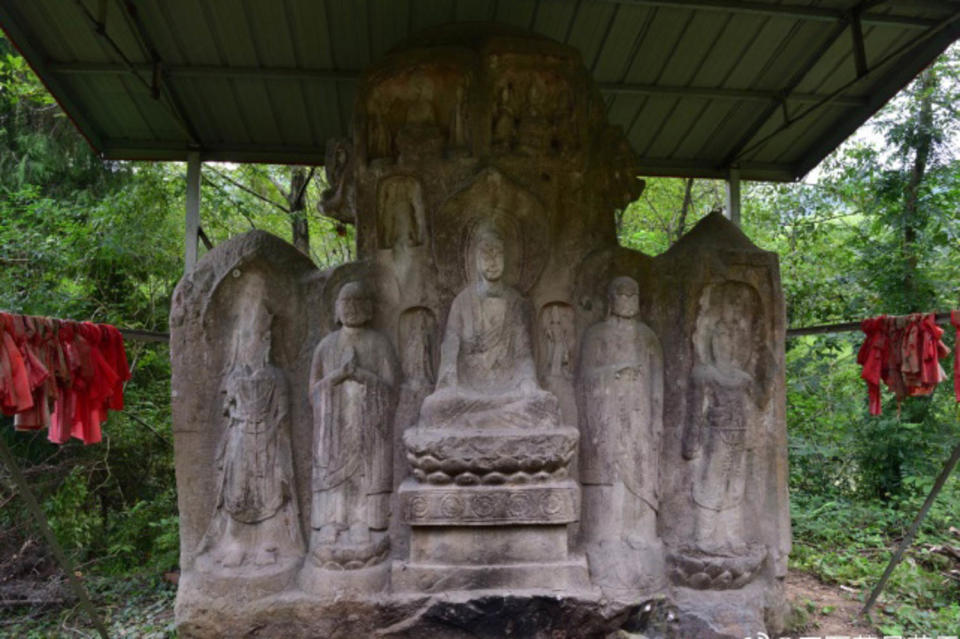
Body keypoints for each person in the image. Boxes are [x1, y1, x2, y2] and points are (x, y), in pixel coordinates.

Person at [418, 227, 558, 430]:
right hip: (468, 392)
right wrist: (449, 385)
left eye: (498, 253)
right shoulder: (461, 302)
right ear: (474, 259)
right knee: (434, 409)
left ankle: (477, 423)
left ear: (507, 257)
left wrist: (529, 382)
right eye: (486, 253)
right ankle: (487, 421)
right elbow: (450, 350)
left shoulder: (516, 303)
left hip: (509, 391)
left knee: (544, 406)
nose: (493, 260)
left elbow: (523, 354)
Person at [309, 282, 399, 561]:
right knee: (334, 475)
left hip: (368, 422)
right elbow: (312, 392)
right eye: (345, 302)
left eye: (358, 302)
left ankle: (362, 521)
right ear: (336, 309)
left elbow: (392, 387)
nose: (351, 308)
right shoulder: (326, 346)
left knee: (364, 473)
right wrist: (337, 376)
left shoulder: (379, 343)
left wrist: (362, 376)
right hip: (333, 425)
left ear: (369, 308)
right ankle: (332, 523)